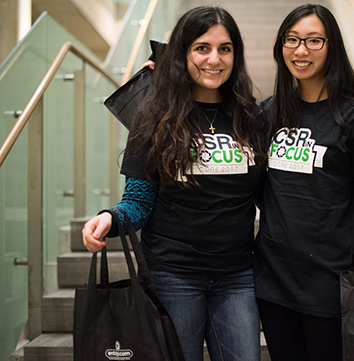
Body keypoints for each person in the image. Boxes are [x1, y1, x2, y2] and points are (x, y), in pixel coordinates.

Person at [82, 6, 266, 361]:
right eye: (201, 48)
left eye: (224, 49)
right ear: (183, 54)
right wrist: (110, 218)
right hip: (174, 274)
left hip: (238, 274)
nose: (214, 59)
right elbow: (138, 202)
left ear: (235, 56)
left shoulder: (251, 118)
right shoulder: (155, 120)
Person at [254, 4, 354, 361]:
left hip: (330, 277)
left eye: (314, 41)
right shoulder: (268, 113)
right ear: (281, 46)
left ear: (332, 46)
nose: (301, 50)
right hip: (274, 274)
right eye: (292, 40)